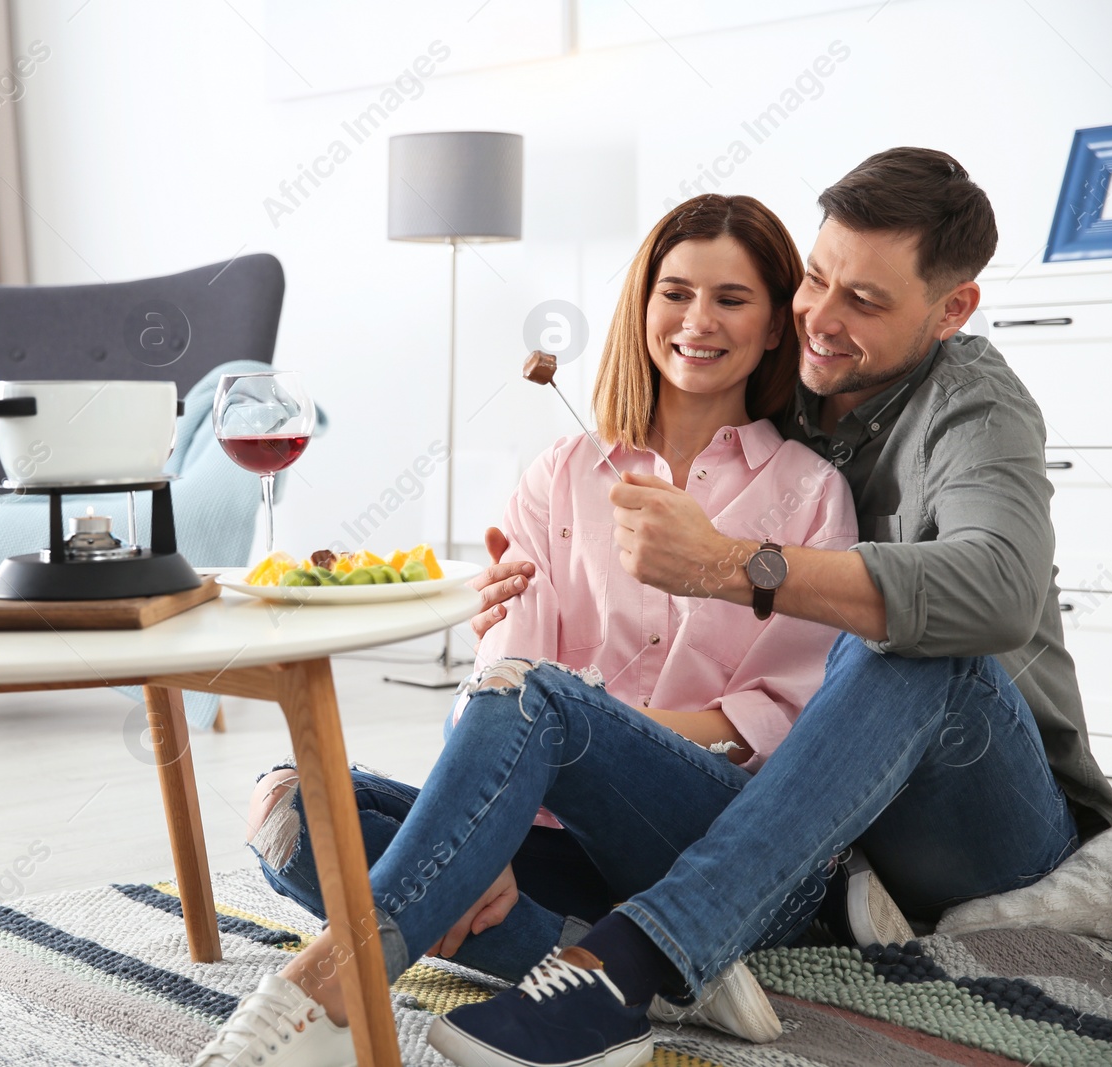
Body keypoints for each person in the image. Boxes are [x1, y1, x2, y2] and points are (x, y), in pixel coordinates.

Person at [425, 148, 1112, 1067]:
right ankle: (645, 944)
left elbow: (995, 586)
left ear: (952, 309)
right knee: (325, 813)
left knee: (903, 635)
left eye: (865, 302)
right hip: (828, 820)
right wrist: (516, 606)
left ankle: (637, 959)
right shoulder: (792, 383)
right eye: (817, 281)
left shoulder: (976, 408)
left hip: (981, 806)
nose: (822, 321)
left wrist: (729, 564)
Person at [189, 192, 859, 1067]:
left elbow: (784, 714)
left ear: (775, 326)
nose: (699, 320)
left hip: (703, 831)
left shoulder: (809, 493)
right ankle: (632, 971)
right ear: (644, 306)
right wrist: (484, 836)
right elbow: (508, 657)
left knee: (543, 703)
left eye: (732, 299)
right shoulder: (565, 471)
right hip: (552, 836)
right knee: (289, 807)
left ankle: (325, 993)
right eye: (676, 292)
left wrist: (582, 745)